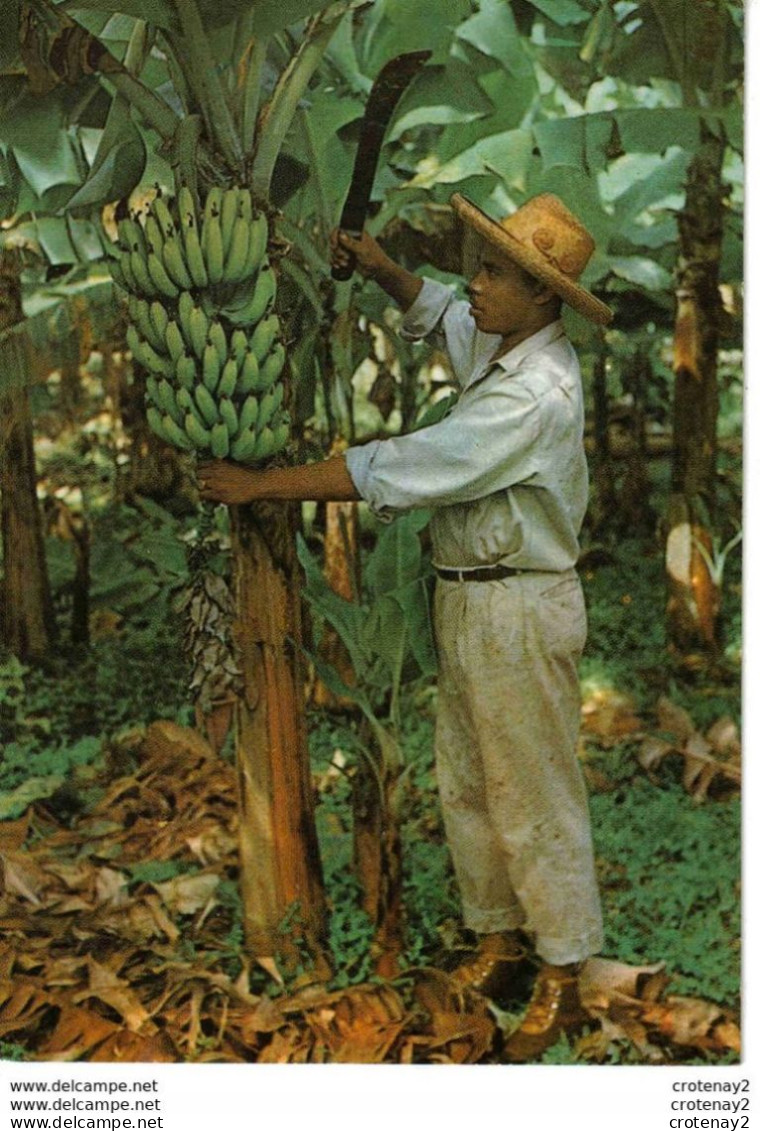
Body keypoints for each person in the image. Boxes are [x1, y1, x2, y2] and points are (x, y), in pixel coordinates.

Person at [198, 191, 613, 1061]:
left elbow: (411, 464)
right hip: (466, 593)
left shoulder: (535, 395)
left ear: (544, 301)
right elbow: (446, 318)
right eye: (483, 264)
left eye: (496, 272)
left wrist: (260, 485)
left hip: (519, 603)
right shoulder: (504, 344)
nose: (477, 281)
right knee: (466, 777)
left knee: (532, 790)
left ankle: (565, 971)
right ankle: (500, 940)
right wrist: (387, 271)